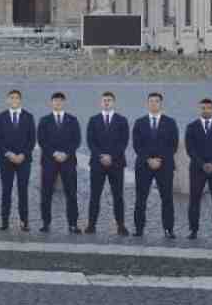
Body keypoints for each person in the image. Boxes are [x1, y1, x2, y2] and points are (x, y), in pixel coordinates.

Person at [133, 92, 178, 238]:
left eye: (156, 101)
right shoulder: (139, 122)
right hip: (144, 166)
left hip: (164, 166)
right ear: (147, 104)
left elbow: (173, 145)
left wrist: (159, 160)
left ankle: (168, 229)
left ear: (161, 104)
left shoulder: (170, 122)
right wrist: (148, 160)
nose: (153, 104)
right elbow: (137, 145)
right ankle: (139, 229)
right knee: (141, 198)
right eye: (151, 101)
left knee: (167, 199)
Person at [85, 92, 130, 235]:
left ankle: (121, 225)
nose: (106, 102)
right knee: (94, 196)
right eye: (104, 100)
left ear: (114, 103)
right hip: (97, 164)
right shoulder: (93, 120)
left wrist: (111, 156)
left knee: (118, 196)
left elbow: (123, 142)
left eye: (109, 100)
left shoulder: (122, 120)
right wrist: (101, 156)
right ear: (100, 102)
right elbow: (90, 141)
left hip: (116, 163)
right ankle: (91, 225)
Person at [184, 98, 212, 241]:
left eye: (208, 108)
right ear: (199, 109)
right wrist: (203, 164)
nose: (206, 110)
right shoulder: (191, 127)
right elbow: (190, 149)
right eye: (203, 108)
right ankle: (193, 230)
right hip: (197, 169)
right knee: (194, 200)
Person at [36, 92, 80, 233]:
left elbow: (76, 140)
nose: (58, 103)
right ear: (51, 103)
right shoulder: (44, 120)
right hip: (49, 161)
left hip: (68, 161)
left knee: (71, 193)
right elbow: (42, 140)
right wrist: (55, 153)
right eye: (55, 101)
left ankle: (73, 224)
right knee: (46, 193)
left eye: (60, 101)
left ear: (64, 102)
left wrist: (65, 153)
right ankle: (46, 223)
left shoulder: (73, 120)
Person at [0, 89, 34, 230]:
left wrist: (23, 154)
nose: (14, 100)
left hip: (24, 160)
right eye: (12, 98)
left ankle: (24, 221)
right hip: (6, 160)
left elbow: (32, 140)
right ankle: (5, 221)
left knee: (23, 191)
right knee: (6, 191)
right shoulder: (1, 117)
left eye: (17, 98)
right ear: (7, 100)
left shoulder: (28, 117)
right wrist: (8, 154)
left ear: (20, 100)